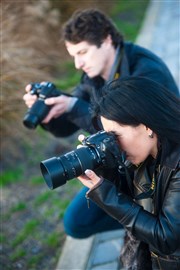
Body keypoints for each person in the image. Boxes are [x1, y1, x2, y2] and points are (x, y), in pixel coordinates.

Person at [23, 9, 179, 239]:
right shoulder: (93, 75)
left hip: (160, 160)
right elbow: (68, 124)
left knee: (161, 228)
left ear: (106, 40)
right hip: (129, 157)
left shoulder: (146, 71)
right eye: (73, 55)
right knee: (76, 223)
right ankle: (145, 227)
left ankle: (156, 226)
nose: (77, 63)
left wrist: (74, 107)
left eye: (83, 52)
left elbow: (151, 128)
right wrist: (52, 111)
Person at [77, 76, 180, 270]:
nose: (114, 144)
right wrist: (105, 172)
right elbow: (135, 201)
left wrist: (105, 195)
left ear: (147, 125)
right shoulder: (149, 154)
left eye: (115, 136)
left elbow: (166, 238)